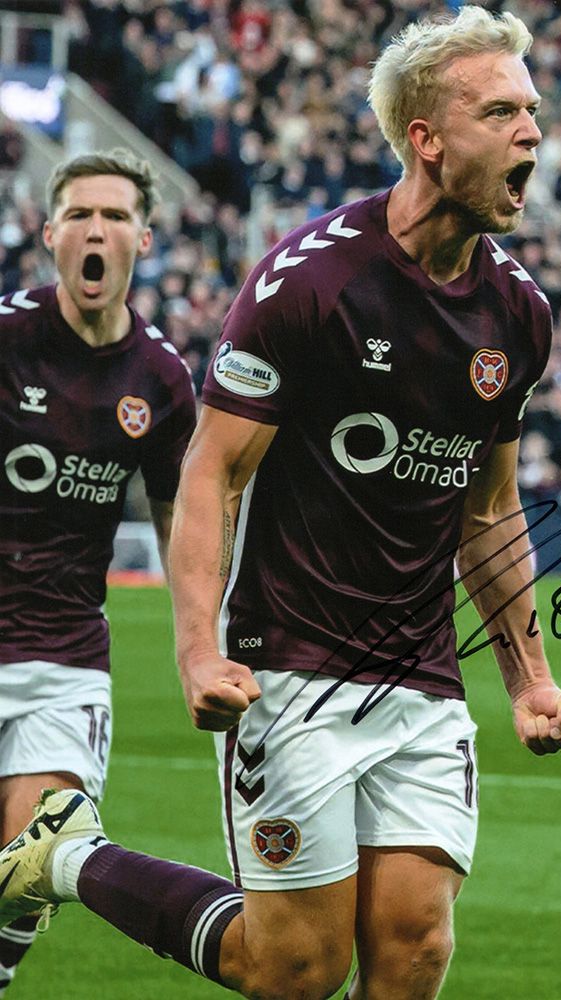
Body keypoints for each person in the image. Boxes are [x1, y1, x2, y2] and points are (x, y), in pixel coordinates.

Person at [0, 10, 561, 999]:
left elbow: (489, 509)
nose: (533, 131)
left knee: (415, 948)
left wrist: (530, 677)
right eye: (502, 111)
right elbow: (212, 473)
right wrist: (198, 649)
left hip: (422, 673)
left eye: (532, 110)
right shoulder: (311, 281)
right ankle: (64, 857)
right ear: (426, 139)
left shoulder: (517, 313)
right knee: (294, 966)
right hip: (292, 659)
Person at [0, 149, 196, 994]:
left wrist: (206, 649)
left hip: (62, 665)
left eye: (115, 217)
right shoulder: (5, 338)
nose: (97, 229)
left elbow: (181, 528)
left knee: (27, 874)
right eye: (80, 213)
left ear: (142, 240)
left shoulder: (160, 382)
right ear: (49, 234)